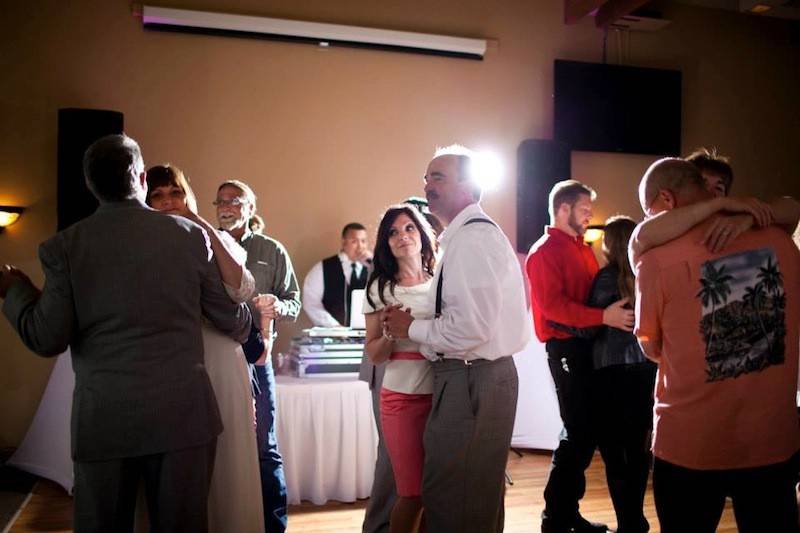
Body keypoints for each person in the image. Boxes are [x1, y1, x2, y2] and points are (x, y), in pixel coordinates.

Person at [0, 134, 251, 532]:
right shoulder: (188, 237)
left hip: (106, 421)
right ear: (141, 177)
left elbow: (46, 337)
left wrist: (14, 290)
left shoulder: (64, 247)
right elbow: (234, 321)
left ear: (90, 185)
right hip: (183, 416)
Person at [634, 158, 800, 532]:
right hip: (771, 437)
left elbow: (650, 345)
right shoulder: (780, 240)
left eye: (649, 213)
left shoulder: (655, 259)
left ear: (666, 200)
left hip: (691, 443)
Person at [383, 145, 529, 533]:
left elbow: (469, 330)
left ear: (470, 185)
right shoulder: (461, 238)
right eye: (427, 178)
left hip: (470, 378)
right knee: (471, 493)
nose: (427, 185)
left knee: (453, 494)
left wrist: (409, 329)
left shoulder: (471, 241)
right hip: (472, 376)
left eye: (438, 177)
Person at [145, 164, 264, 532]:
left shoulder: (212, 235)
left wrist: (198, 221)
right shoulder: (141, 239)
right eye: (158, 196)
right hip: (167, 355)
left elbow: (242, 290)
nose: (168, 202)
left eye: (175, 193)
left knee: (226, 449)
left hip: (218, 351)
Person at [526, 179, 634, 533]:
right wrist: (604, 317)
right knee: (578, 433)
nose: (590, 216)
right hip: (565, 349)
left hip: (589, 347)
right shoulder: (543, 252)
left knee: (585, 434)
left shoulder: (582, 248)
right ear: (563, 209)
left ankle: (566, 513)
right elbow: (554, 309)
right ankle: (554, 518)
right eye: (585, 210)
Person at [215, 179, 301, 533]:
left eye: (235, 200)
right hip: (214, 356)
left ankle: (273, 526)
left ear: (251, 209)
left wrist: (278, 306)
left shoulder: (272, 250)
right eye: (220, 201)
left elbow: (294, 304)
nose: (226, 206)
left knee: (264, 446)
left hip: (257, 359)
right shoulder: (204, 246)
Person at [565, 216, 657, 533]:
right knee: (638, 450)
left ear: (611, 244)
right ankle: (636, 520)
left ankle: (630, 522)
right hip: (646, 369)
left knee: (615, 455)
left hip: (612, 374)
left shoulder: (607, 278)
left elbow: (589, 329)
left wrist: (569, 323)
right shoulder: (647, 276)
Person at [363, 205, 437, 532]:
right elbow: (374, 355)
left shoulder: (440, 284)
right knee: (411, 493)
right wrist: (391, 336)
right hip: (401, 400)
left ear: (422, 235)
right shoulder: (379, 289)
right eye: (393, 232)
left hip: (444, 396)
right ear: (386, 244)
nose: (402, 236)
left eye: (409, 228)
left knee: (434, 493)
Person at [303, 222, 373, 327]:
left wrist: (375, 264)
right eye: (354, 241)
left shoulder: (373, 268)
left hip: (367, 336)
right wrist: (334, 326)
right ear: (344, 242)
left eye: (363, 241)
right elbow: (311, 303)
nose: (360, 246)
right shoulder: (322, 268)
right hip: (332, 335)